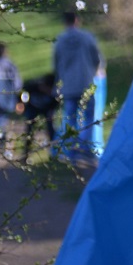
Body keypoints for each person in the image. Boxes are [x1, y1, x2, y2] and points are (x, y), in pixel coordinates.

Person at [53, 11, 103, 161]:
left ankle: (70, 150)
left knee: (70, 118)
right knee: (88, 116)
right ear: (77, 20)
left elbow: (56, 64)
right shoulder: (87, 37)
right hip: (85, 83)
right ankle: (84, 147)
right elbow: (97, 59)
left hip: (68, 86)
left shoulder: (60, 40)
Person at [19, 73, 59, 156]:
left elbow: (54, 106)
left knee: (51, 129)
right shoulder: (32, 87)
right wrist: (21, 104)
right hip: (33, 109)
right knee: (30, 129)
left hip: (46, 110)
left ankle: (54, 153)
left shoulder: (54, 95)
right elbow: (22, 93)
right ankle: (26, 153)